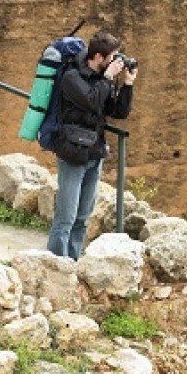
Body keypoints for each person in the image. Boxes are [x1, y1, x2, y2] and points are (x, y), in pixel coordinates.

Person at [47, 31, 137, 260]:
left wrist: (127, 84)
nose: (117, 61)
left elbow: (118, 112)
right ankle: (57, 265)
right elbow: (91, 101)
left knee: (82, 218)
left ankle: (73, 262)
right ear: (98, 57)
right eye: (113, 56)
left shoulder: (102, 79)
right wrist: (107, 78)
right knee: (65, 218)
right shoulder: (72, 77)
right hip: (72, 154)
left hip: (94, 153)